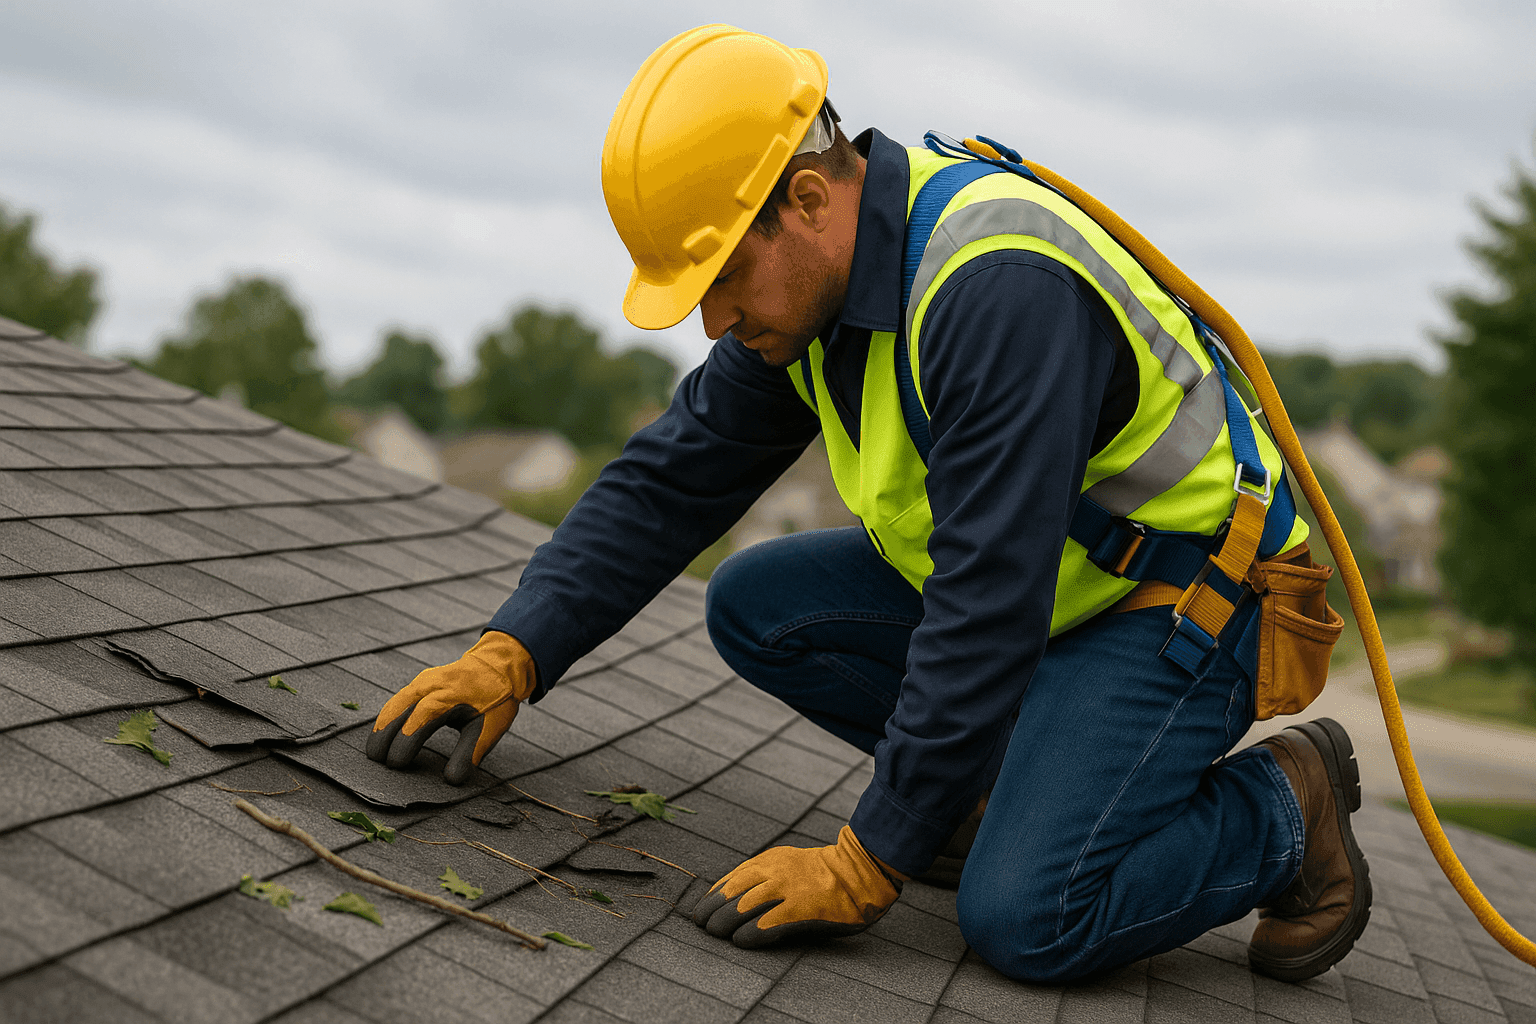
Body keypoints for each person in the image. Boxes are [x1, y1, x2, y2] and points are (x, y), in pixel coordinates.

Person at [367, 24, 1370, 984]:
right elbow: (671, 478)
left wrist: (868, 860)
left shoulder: (996, 291)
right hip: (1053, 595)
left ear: (807, 198)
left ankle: (1286, 807)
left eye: (722, 276)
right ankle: (988, 800)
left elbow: (986, 606)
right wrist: (514, 651)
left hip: (1183, 598)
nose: (714, 318)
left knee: (1026, 916)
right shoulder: (808, 299)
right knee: (760, 605)